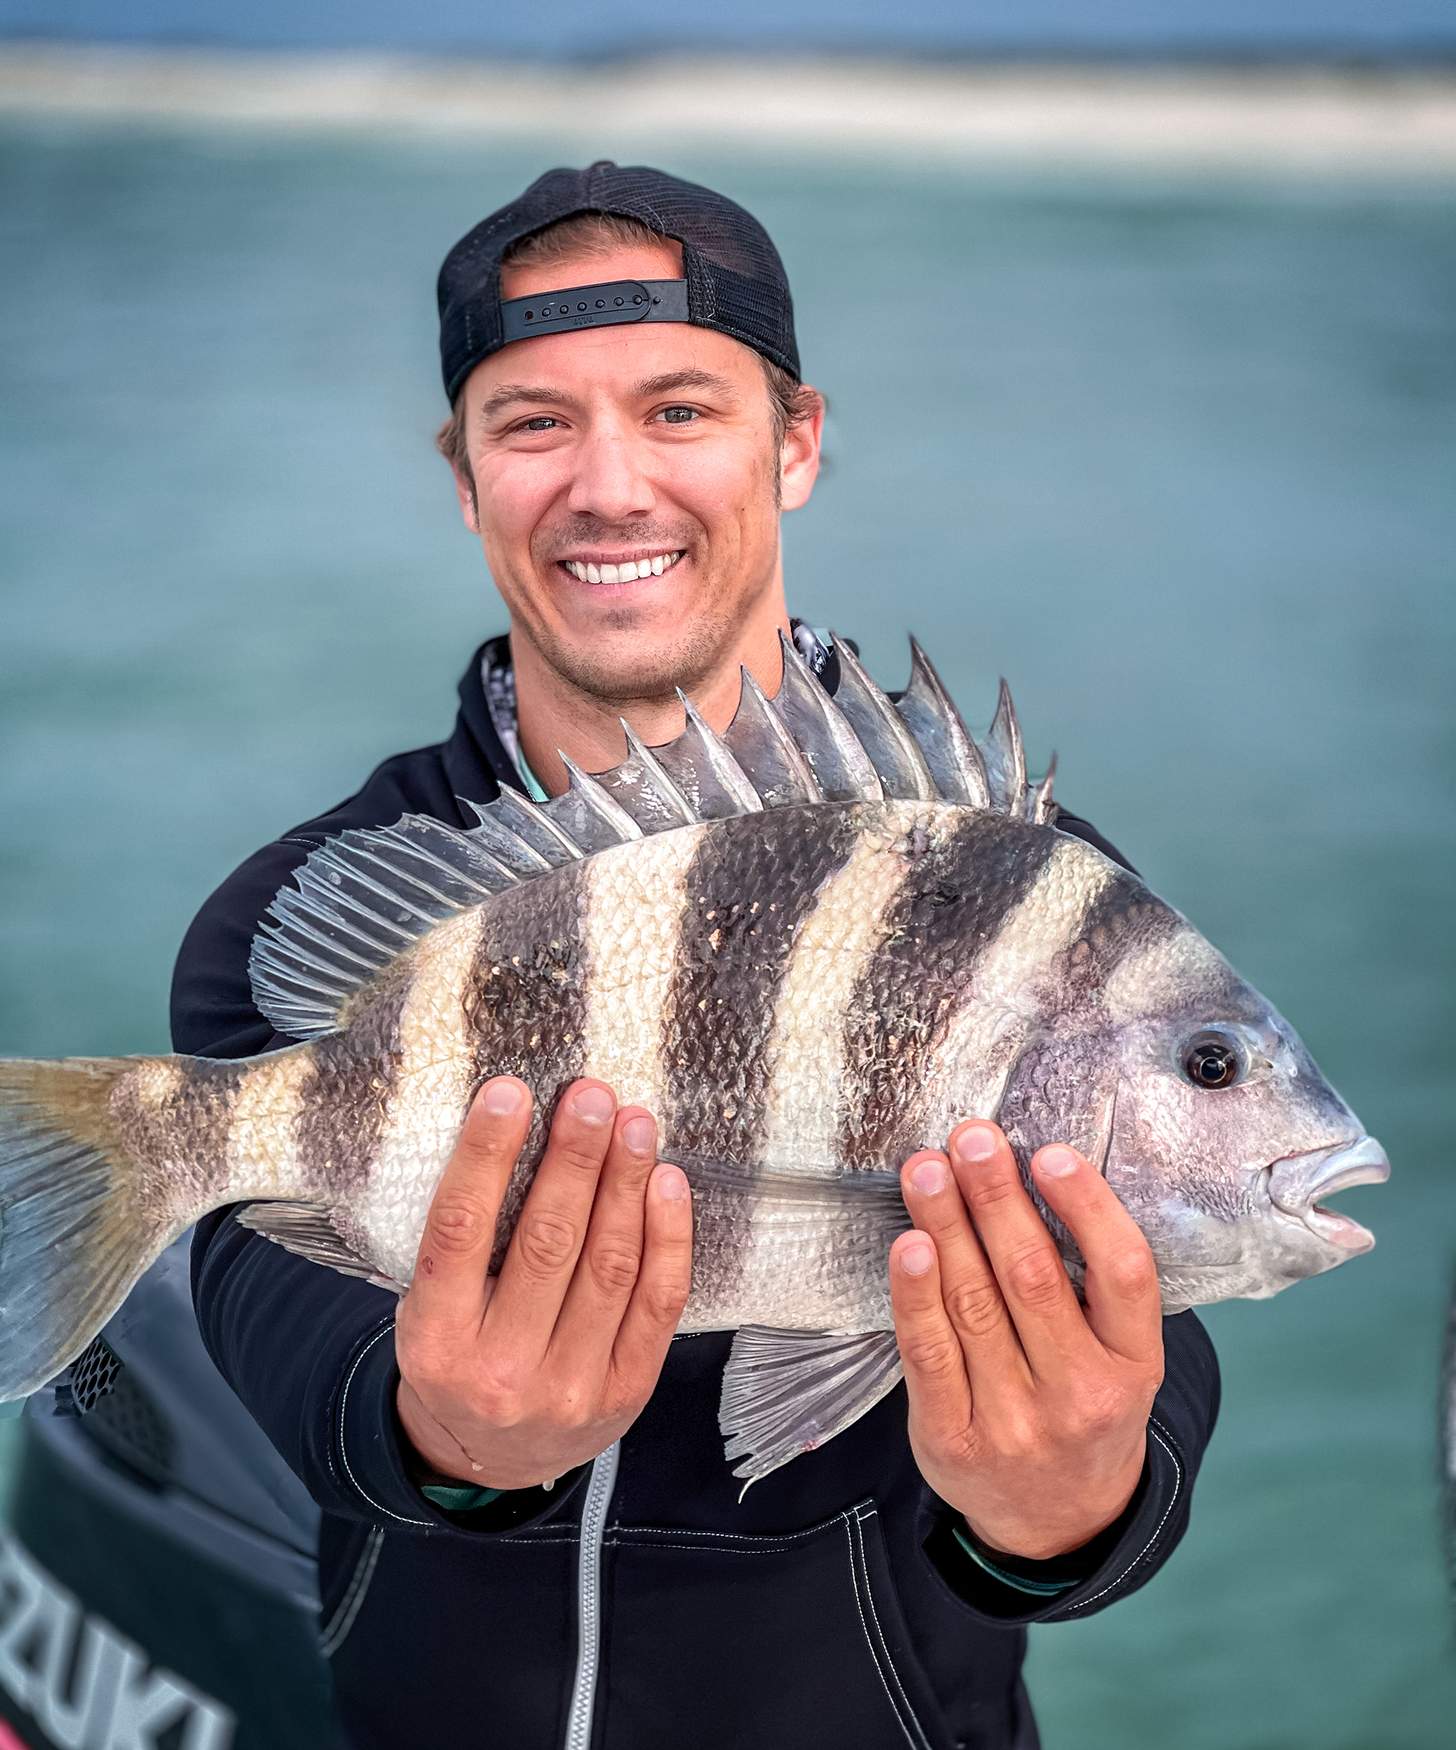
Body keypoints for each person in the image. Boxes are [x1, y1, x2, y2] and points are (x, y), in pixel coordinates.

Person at [173, 161, 1221, 1750]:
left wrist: (1070, 1505)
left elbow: (1163, 1311)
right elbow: (254, 1272)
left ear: (794, 442)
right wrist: (434, 1429)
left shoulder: (1023, 892)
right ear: (464, 475)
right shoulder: (302, 905)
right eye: (534, 423)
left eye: (680, 409)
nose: (609, 485)